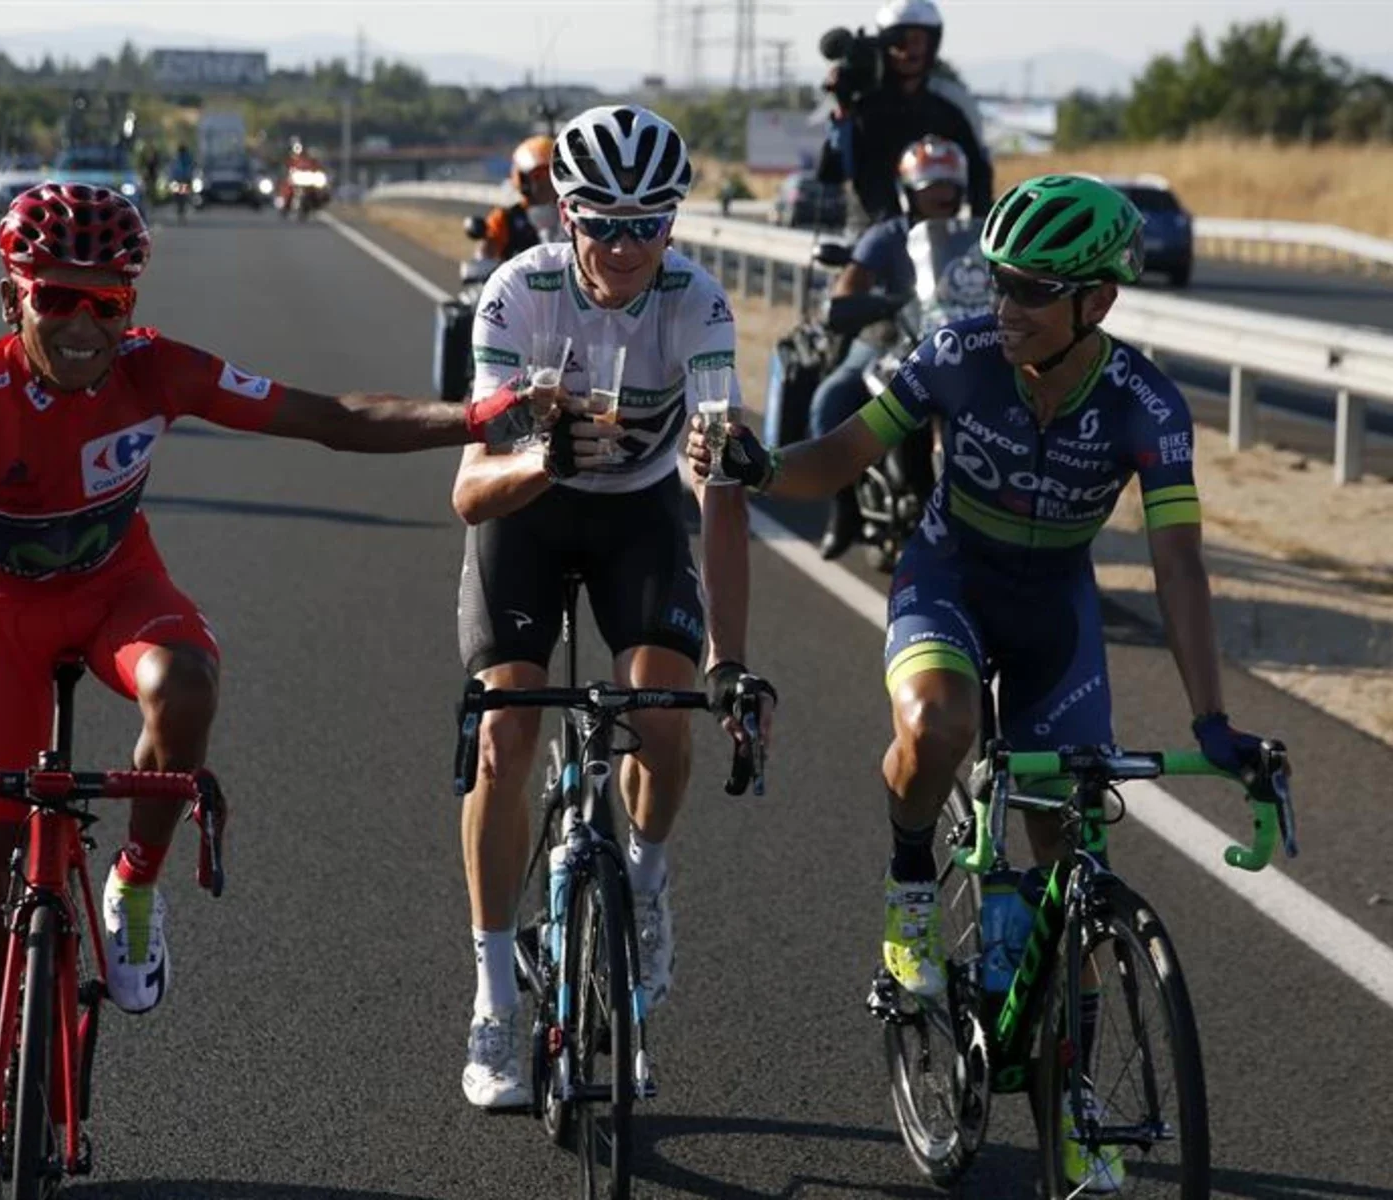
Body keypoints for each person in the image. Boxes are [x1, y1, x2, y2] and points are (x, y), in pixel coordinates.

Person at [0, 182, 537, 1200]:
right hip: (2, 623)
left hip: (122, 594)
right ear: (12, 300)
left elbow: (331, 417)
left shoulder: (157, 368)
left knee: (187, 683)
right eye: (57, 301)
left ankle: (131, 885)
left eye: (107, 305)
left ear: (130, 308)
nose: (83, 326)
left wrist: (476, 417)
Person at [686, 175, 1283, 1188]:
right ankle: (911, 884)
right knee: (938, 722)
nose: (1002, 304)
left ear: (1096, 301)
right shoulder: (956, 354)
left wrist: (1213, 718)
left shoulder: (1145, 403)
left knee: (1069, 846)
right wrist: (756, 462)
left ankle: (1079, 1099)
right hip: (949, 576)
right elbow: (840, 456)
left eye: (1030, 289)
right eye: (998, 281)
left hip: (1056, 609)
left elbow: (1179, 562)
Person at [451, 104, 775, 1108]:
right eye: (604, 222)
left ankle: (642, 875)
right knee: (506, 735)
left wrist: (730, 657)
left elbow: (719, 485)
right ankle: (495, 995)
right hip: (526, 515)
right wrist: (539, 458)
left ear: (674, 223)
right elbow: (467, 490)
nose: (627, 245)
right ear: (565, 212)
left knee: (666, 726)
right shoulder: (517, 293)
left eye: (650, 222)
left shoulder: (698, 302)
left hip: (637, 517)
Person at [814, 134, 971, 558]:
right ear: (909, 191)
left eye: (947, 187)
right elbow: (846, 292)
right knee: (832, 398)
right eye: (929, 187)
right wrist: (875, 303)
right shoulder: (886, 236)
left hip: (957, 344)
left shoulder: (976, 239)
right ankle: (842, 509)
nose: (939, 196)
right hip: (888, 338)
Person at [817, 0, 992, 226]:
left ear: (932, 44)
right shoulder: (863, 111)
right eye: (899, 41)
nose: (908, 51)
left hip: (940, 243)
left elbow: (978, 175)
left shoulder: (950, 108)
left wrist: (981, 236)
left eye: (917, 41)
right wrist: (842, 112)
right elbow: (832, 172)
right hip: (872, 242)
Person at [477, 134, 563, 264]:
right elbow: (483, 259)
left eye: (552, 174)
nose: (546, 182)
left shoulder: (574, 212)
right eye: (538, 176)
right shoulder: (504, 219)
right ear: (522, 179)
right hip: (518, 283)